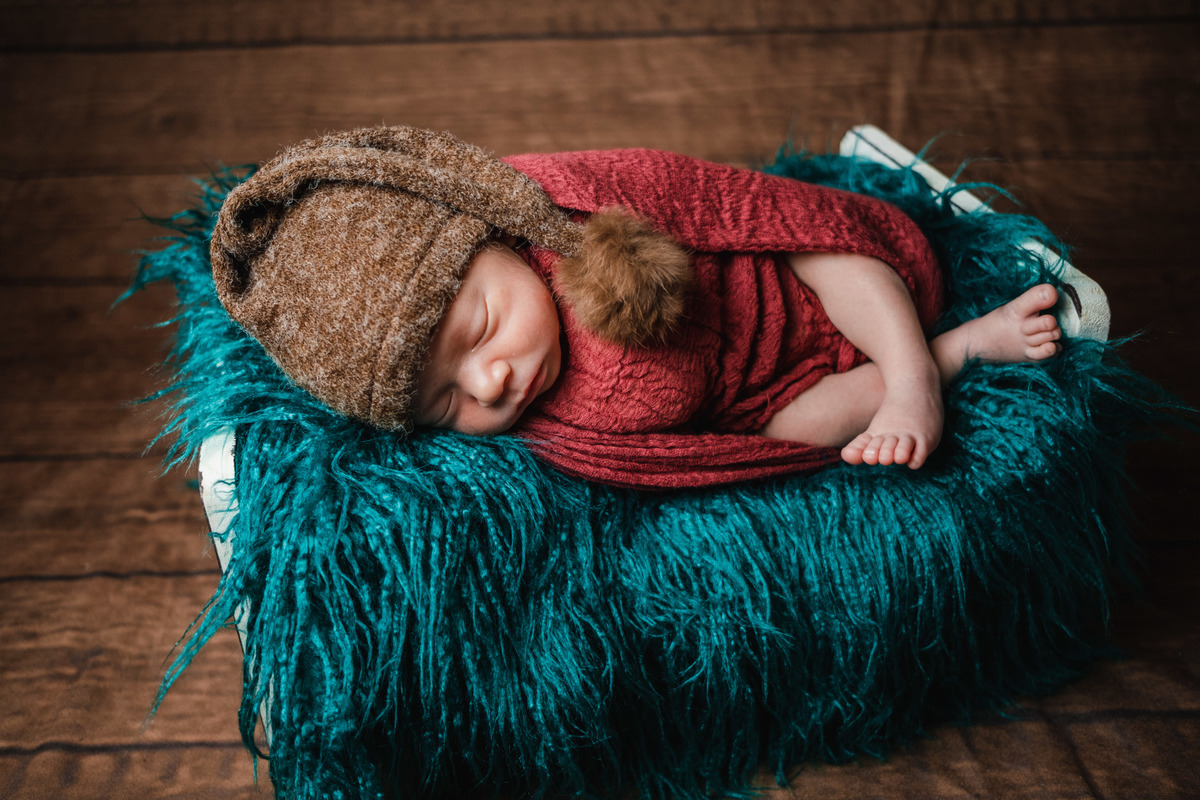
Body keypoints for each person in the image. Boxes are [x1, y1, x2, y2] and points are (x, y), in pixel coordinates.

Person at [210, 126, 1061, 490]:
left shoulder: (566, 206)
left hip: (774, 281)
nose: (493, 378)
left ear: (492, 237)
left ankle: (913, 372)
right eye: (446, 402)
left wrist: (789, 244)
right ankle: (963, 353)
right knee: (787, 433)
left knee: (828, 251)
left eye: (475, 330)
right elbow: (674, 464)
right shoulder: (554, 430)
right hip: (756, 398)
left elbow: (720, 201)